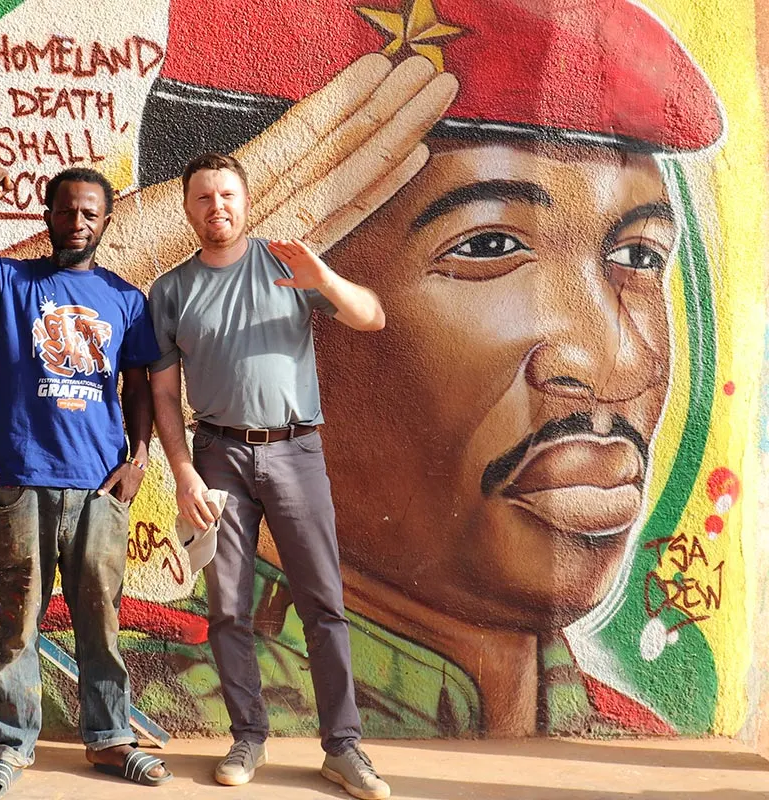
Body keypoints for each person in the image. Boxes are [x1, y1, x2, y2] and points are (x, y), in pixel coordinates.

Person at [135, 0, 725, 738]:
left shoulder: (629, 744)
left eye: (638, 255)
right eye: (488, 247)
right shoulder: (125, 708)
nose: (620, 360)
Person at [0, 164, 171, 797]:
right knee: (19, 622)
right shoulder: (12, 281)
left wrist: (140, 459)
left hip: (100, 489)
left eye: (90, 213)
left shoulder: (126, 299)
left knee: (101, 622)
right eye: (66, 210)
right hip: (24, 484)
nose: (77, 222)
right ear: (48, 215)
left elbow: (138, 386)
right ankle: (11, 747)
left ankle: (110, 739)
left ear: (105, 221)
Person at [148, 151, 391, 799]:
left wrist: (326, 280)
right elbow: (164, 395)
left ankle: (343, 748)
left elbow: (372, 316)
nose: (216, 207)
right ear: (187, 208)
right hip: (216, 457)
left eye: (227, 195)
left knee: (322, 602)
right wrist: (182, 473)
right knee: (228, 607)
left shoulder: (288, 266)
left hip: (295, 450)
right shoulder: (170, 292)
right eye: (203, 197)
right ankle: (248, 736)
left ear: (246, 201)